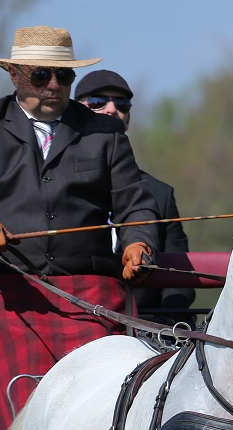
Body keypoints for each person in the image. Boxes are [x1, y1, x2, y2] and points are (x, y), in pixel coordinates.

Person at [0, 26, 160, 430]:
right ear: (14, 75)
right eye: (41, 76)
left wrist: (138, 242)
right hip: (7, 297)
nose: (54, 86)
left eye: (64, 76)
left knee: (96, 421)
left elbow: (134, 203)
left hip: (90, 298)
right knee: (31, 426)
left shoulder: (105, 133)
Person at [75, 70, 195, 328]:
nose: (111, 110)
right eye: (97, 102)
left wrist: (162, 329)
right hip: (74, 322)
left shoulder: (160, 194)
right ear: (74, 112)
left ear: (128, 119)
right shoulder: (53, 184)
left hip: (144, 336)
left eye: (121, 105)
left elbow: (180, 284)